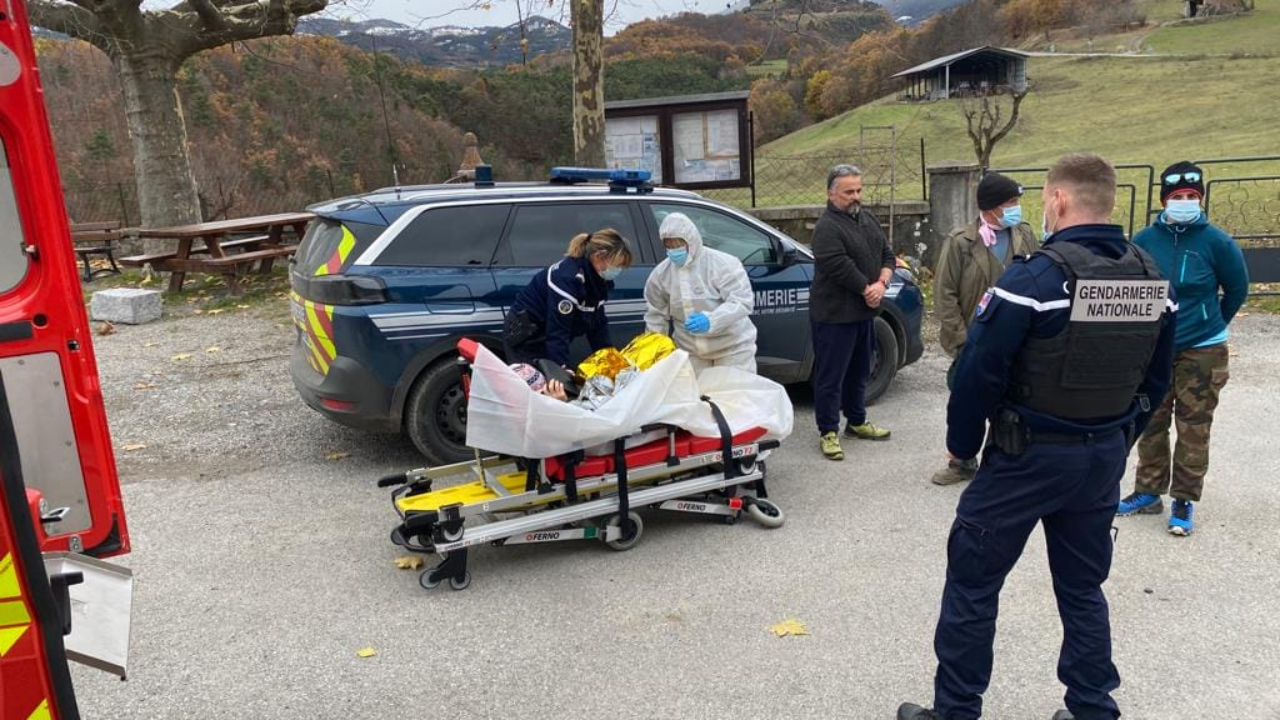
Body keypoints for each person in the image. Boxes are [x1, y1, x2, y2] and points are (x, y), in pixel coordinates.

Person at [897, 153, 1177, 720]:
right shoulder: (1152, 278)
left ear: (1057, 201)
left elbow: (979, 374)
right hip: (1099, 461)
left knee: (973, 587)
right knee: (1082, 591)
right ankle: (1093, 708)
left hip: (1026, 458)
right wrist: (1117, 438)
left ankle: (955, 712)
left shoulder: (1034, 279)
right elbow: (1157, 377)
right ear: (1110, 199)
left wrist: (961, 445)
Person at [1117, 161, 1249, 536]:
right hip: (1154, 347)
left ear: (1201, 198)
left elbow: (1237, 289)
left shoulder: (1217, 242)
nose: (1186, 202)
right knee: (1151, 419)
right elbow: (1132, 287)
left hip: (1201, 351)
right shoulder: (1144, 241)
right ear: (1164, 201)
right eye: (1178, 197)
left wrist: (1213, 324)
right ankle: (1148, 491)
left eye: (1192, 196)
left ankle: (1184, 499)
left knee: (1194, 427)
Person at [931, 171, 1040, 486]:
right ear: (991, 206)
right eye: (1010, 202)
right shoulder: (961, 242)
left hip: (1018, 337)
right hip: (974, 338)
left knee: (1014, 401)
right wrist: (961, 341)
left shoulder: (1023, 234)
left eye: (1017, 201)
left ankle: (1008, 461)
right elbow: (945, 296)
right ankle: (962, 462)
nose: (1016, 208)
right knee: (968, 403)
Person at [809, 164, 895, 461]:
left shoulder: (866, 218)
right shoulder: (826, 228)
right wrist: (867, 290)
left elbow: (887, 253)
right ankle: (828, 431)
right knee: (831, 376)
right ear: (831, 194)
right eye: (849, 192)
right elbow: (838, 266)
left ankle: (856, 422)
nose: (856, 196)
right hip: (834, 315)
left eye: (859, 190)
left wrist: (882, 282)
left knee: (861, 370)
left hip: (864, 313)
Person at [643, 212, 758, 373]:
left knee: (734, 395)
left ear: (692, 241)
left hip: (732, 350)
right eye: (668, 247)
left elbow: (742, 302)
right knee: (695, 396)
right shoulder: (661, 275)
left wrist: (712, 320)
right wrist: (654, 347)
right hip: (690, 352)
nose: (673, 251)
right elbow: (656, 316)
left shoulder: (723, 264)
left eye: (678, 245)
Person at [503, 229, 633, 368]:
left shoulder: (597, 280)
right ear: (598, 256)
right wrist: (561, 369)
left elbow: (598, 325)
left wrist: (609, 359)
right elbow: (558, 333)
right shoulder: (568, 280)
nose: (618, 270)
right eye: (616, 265)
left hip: (548, 334)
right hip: (527, 338)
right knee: (540, 383)